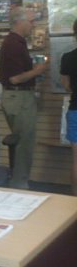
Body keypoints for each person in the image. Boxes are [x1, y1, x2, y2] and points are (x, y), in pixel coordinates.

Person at [0, 7, 48, 189]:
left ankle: (19, 181)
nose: (33, 25)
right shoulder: (14, 44)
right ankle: (19, 184)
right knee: (24, 143)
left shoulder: (16, 42)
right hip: (19, 97)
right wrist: (38, 70)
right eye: (31, 21)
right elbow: (15, 79)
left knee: (23, 141)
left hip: (17, 97)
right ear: (20, 22)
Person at [59, 18, 77, 195]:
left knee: (76, 160)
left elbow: (66, 85)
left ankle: (73, 203)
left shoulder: (68, 57)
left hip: (75, 109)